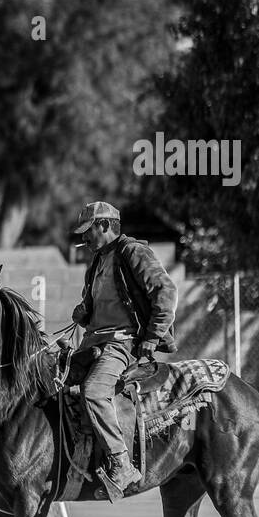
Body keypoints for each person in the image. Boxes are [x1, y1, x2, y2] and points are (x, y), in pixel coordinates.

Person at [69, 202, 178, 494]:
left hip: (123, 343)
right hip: (94, 343)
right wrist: (84, 311)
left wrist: (152, 338)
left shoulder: (133, 252)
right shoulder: (96, 262)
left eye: (88, 231)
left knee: (93, 392)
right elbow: (101, 307)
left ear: (104, 225)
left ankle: (121, 464)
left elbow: (166, 293)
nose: (85, 239)